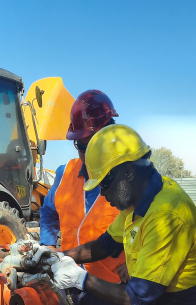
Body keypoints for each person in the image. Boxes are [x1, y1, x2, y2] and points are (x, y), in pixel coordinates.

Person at [50, 124, 196, 305]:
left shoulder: (165, 215)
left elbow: (137, 298)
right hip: (164, 296)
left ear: (128, 172)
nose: (102, 194)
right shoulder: (137, 201)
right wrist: (58, 257)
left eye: (104, 184)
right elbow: (106, 245)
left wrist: (80, 279)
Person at [40, 90, 128, 304]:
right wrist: (49, 245)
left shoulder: (128, 179)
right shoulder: (65, 173)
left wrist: (135, 261)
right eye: (82, 146)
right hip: (67, 281)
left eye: (95, 145)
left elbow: (144, 227)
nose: (88, 155)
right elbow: (48, 213)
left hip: (111, 287)